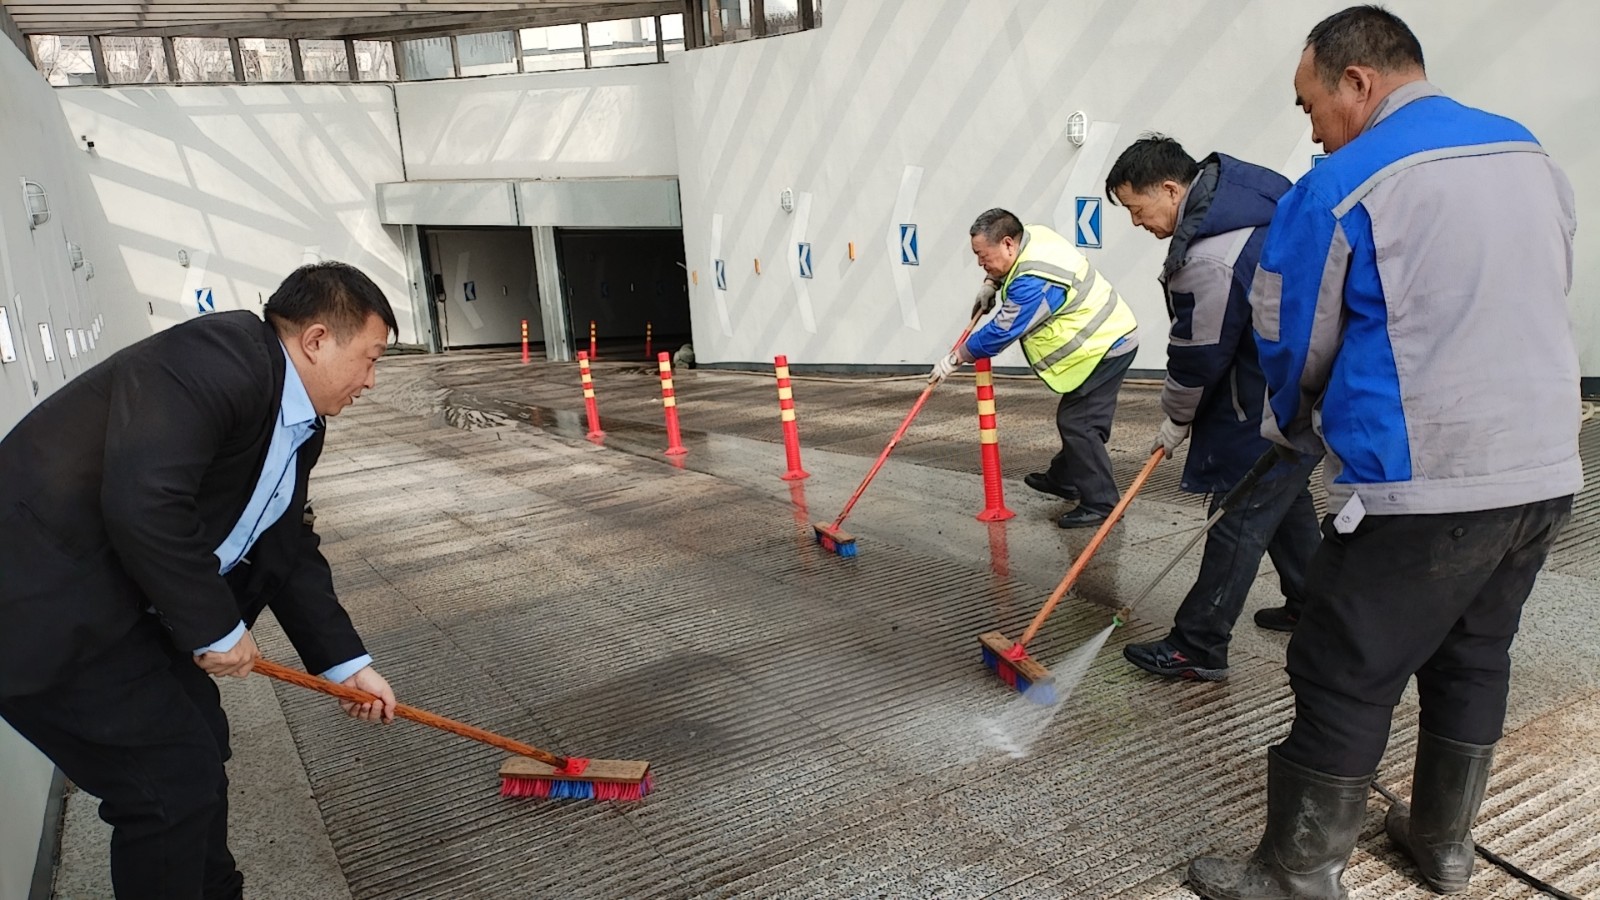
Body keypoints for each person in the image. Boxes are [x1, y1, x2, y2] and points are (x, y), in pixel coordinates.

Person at [1187, 7, 1581, 899]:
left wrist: (1288, 428)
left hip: (1427, 477)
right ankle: (1444, 843)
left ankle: (1296, 872)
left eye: (1309, 105)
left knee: (1340, 660)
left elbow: (1290, 339)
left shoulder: (1341, 185)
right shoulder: (1526, 153)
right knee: (1475, 652)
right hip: (1545, 464)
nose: (1313, 130)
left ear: (1356, 82)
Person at [0, 262, 404, 900]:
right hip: (41, 602)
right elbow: (146, 499)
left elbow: (287, 546)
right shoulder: (219, 358)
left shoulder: (298, 422)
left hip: (122, 604)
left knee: (198, 740)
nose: (371, 381)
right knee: (167, 779)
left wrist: (343, 664)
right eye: (370, 358)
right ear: (318, 339)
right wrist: (216, 625)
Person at [1104, 135, 1323, 682]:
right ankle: (1313, 605)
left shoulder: (1210, 256)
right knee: (1285, 503)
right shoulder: (1250, 195)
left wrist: (1175, 418)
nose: (1137, 223)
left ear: (1172, 189)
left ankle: (1199, 644)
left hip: (1261, 405)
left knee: (1237, 518)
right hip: (1306, 388)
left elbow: (1198, 356)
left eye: (1137, 209)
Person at [930, 208, 1139, 528]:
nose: (979, 262)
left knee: (1080, 423)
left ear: (1008, 244)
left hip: (1104, 345)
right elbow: (1007, 271)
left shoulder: (1033, 281)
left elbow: (1002, 330)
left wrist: (956, 357)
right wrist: (991, 282)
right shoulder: (1033, 236)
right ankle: (1063, 478)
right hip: (1106, 337)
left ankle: (1102, 503)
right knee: (1077, 420)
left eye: (982, 256)